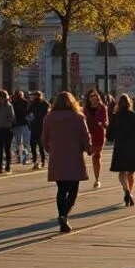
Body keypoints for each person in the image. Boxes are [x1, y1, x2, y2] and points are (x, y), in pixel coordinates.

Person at [42, 91, 91, 234]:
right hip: (74, 157)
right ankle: (64, 215)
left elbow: (44, 137)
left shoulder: (49, 118)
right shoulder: (78, 117)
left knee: (61, 190)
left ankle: (61, 215)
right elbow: (85, 136)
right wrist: (89, 149)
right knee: (73, 190)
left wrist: (48, 148)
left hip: (57, 157)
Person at [108, 94, 135, 207]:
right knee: (130, 172)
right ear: (129, 103)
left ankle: (126, 191)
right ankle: (130, 193)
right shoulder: (134, 116)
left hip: (120, 146)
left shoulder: (115, 117)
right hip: (132, 146)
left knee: (122, 172)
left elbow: (109, 135)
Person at [84, 89, 109, 189]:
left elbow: (106, 122)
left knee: (96, 156)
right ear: (89, 99)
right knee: (82, 155)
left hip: (98, 134)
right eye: (91, 98)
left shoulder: (102, 108)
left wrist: (102, 124)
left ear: (98, 98)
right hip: (87, 134)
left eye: (95, 98)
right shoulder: (85, 109)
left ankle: (97, 179)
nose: (93, 100)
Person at [28, 91, 50, 169]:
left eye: (36, 96)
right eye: (34, 96)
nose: (35, 97)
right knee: (33, 145)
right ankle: (36, 161)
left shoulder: (45, 104)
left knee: (40, 145)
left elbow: (48, 114)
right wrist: (29, 120)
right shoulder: (32, 104)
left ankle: (42, 160)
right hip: (34, 126)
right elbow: (29, 114)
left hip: (41, 126)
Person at [11, 90, 31, 165]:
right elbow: (29, 113)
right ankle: (24, 158)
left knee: (18, 143)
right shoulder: (26, 102)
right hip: (24, 124)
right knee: (25, 143)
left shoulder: (13, 103)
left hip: (16, 125)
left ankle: (19, 157)